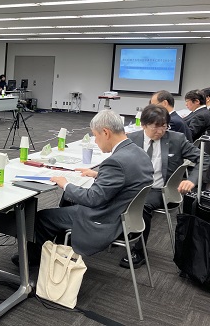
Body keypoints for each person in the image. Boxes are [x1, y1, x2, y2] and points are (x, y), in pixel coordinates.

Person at [13, 110, 153, 265]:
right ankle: (59, 246)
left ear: (106, 132)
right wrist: (97, 175)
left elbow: (93, 198)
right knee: (67, 201)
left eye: (96, 136)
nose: (95, 141)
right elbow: (128, 179)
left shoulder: (115, 161)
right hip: (127, 214)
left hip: (107, 218)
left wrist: (65, 184)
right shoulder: (139, 152)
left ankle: (30, 260)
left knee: (43, 217)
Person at [121, 105, 209, 269]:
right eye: (156, 126)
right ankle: (115, 235)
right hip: (133, 186)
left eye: (164, 126)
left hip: (158, 189)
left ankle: (139, 250)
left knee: (142, 205)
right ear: (144, 125)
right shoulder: (131, 139)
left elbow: (204, 159)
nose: (161, 131)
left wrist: (192, 180)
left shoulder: (176, 139)